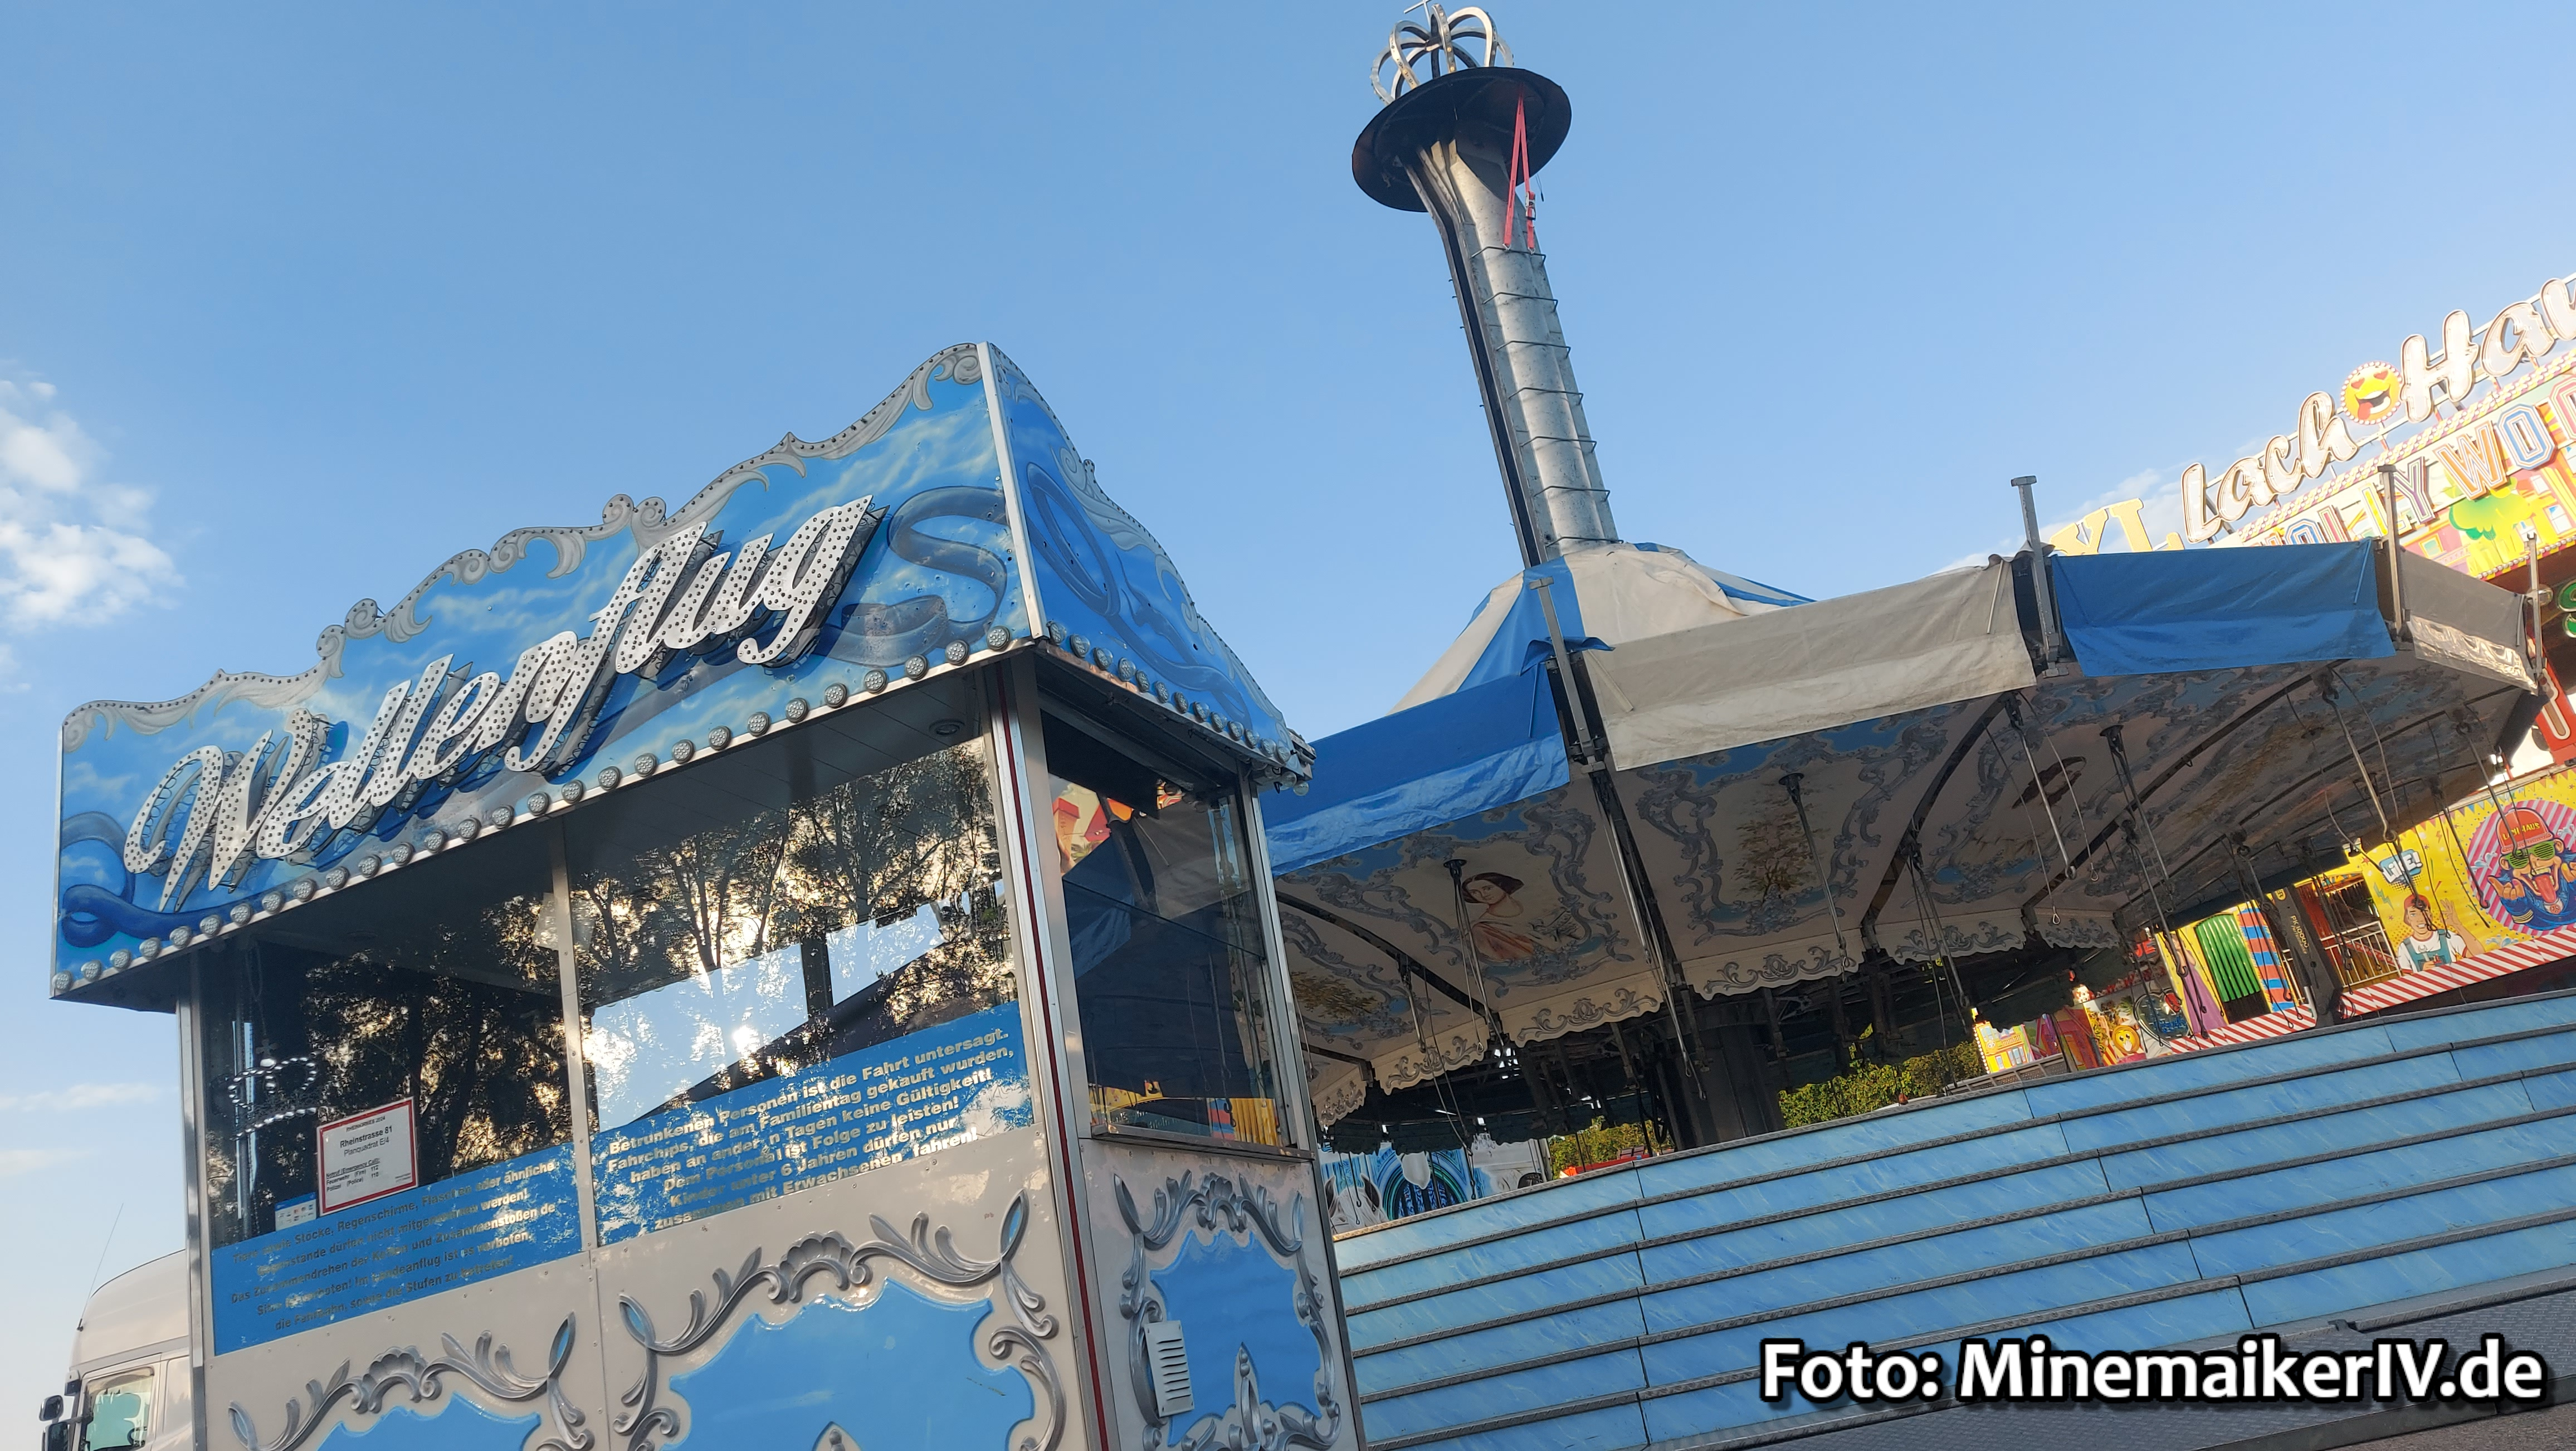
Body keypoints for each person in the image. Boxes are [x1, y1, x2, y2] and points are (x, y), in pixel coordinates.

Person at [2490, 806, 2576, 932]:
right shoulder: (2518, 894)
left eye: (2543, 851)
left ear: (2557, 847)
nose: (2534, 863)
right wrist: (2517, 908)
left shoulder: (2571, 873)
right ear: (2506, 864)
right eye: (2519, 858)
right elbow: (2535, 925)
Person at [1461, 871, 1540, 961]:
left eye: (1488, 888)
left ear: (1502, 886)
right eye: (1475, 893)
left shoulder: (1532, 903)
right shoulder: (1484, 928)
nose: (1483, 895)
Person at [2394, 892, 2468, 972]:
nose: (2420, 919)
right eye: (2413, 914)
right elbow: (2407, 978)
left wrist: (2458, 925)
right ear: (2408, 918)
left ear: (2431, 916)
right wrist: (2423, 974)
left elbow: (2476, 954)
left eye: (2424, 913)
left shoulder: (2447, 936)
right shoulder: (2405, 947)